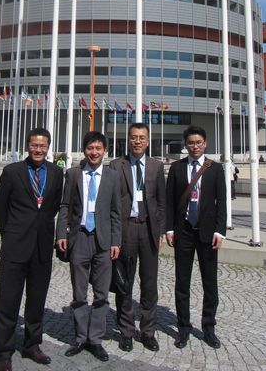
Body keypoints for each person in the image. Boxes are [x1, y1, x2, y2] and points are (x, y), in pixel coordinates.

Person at [0, 128, 64, 371]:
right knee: (8, 301)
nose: (38, 150)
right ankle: (3, 352)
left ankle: (32, 345)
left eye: (43, 146)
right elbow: (0, 206)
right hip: (15, 247)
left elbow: (53, 206)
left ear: (48, 147)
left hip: (42, 247)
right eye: (34, 145)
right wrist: (10, 233)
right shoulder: (12, 172)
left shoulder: (56, 173)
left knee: (36, 301)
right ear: (27, 146)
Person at [56, 131, 121, 362]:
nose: (94, 152)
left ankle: (95, 339)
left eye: (98, 148)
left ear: (105, 151)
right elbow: (65, 206)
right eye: (90, 148)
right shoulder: (74, 174)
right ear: (84, 150)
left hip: (103, 241)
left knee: (102, 293)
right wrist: (60, 234)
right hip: (79, 238)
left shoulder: (112, 176)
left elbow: (116, 212)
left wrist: (116, 241)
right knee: (79, 292)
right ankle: (81, 337)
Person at [166, 125, 226, 350]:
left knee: (210, 283)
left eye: (198, 142)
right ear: (186, 145)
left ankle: (208, 328)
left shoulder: (215, 169)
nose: (195, 146)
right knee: (182, 282)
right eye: (191, 143)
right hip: (183, 232)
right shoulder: (177, 168)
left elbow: (222, 202)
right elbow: (169, 201)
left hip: (207, 233)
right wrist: (169, 229)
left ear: (205, 144)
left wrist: (220, 230)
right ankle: (183, 327)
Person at [109, 122, 166, 353]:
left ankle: (148, 331)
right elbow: (112, 201)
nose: (138, 141)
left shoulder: (156, 166)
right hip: (126, 229)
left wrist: (160, 231)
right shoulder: (116, 165)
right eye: (134, 137)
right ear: (128, 139)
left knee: (149, 283)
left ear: (148, 141)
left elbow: (161, 201)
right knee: (124, 282)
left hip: (148, 229)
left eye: (142, 137)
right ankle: (126, 331)